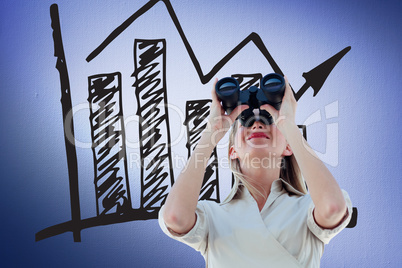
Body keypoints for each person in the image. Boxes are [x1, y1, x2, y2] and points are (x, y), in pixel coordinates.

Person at [158, 76, 352, 267]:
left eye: (268, 121)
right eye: (246, 122)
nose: (257, 124)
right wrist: (212, 131)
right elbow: (175, 216)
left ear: (288, 146)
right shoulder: (212, 218)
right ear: (232, 150)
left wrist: (288, 125)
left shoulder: (307, 211)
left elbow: (333, 207)